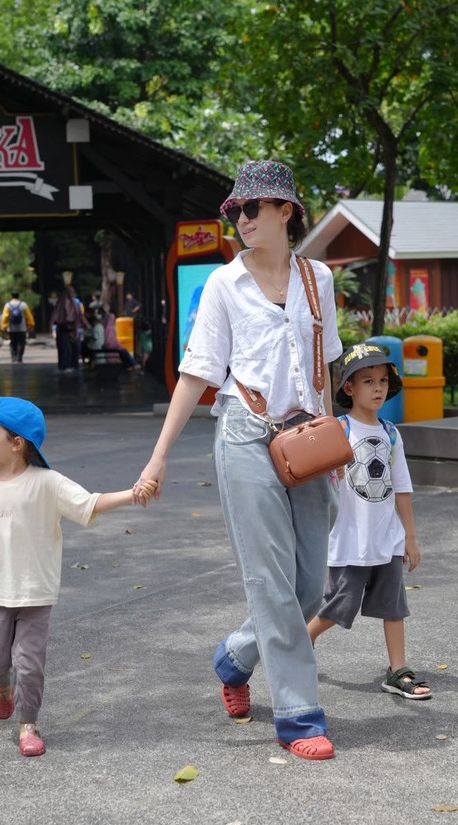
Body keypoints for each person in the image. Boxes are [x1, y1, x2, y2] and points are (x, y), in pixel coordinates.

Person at [132, 159, 343, 761]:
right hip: (246, 438)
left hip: (306, 443)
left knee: (309, 589)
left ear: (286, 212)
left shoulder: (317, 280)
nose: (242, 219)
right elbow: (197, 371)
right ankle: (300, 716)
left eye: (253, 208)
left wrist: (337, 444)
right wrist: (159, 455)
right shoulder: (226, 284)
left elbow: (322, 364)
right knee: (270, 581)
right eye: (236, 211)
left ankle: (233, 658)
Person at [0, 396, 157, 758]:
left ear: (16, 442)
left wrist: (133, 493)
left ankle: (27, 725)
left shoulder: (47, 483)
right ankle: (2, 689)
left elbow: (90, 503)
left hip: (35, 592)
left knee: (30, 664)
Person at [307, 344, 431, 700]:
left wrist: (410, 537)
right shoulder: (337, 429)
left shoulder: (392, 433)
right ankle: (302, 641)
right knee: (337, 607)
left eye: (382, 381)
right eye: (367, 381)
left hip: (386, 538)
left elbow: (402, 488)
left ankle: (397, 671)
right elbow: (317, 480)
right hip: (349, 539)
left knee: (394, 607)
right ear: (349, 388)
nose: (377, 388)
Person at [50, 285, 88, 372]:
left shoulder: (60, 303)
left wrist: (51, 325)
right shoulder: (75, 304)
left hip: (63, 329)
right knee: (72, 348)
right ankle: (72, 365)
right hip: (72, 329)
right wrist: (86, 325)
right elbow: (80, 316)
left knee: (64, 349)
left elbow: (54, 316)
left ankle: (64, 365)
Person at [1, 290, 34, 363]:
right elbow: (29, 316)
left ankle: (13, 357)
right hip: (22, 328)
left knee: (13, 343)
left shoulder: (8, 305)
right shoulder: (23, 305)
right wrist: (31, 324)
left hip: (11, 328)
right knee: (21, 342)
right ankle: (19, 358)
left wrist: (3, 327)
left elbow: (5, 317)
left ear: (11, 296)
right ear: (18, 296)